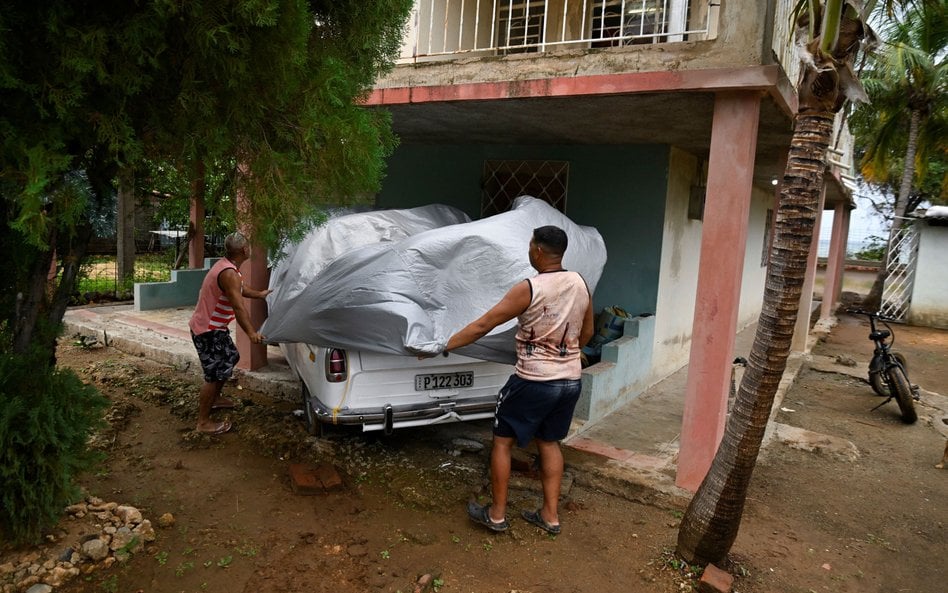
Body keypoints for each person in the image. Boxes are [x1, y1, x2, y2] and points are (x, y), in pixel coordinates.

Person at [442, 225, 594, 534]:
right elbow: (587, 332)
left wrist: (443, 345)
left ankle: (496, 515)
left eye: (530, 246)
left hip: (534, 382)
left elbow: (483, 324)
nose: (528, 250)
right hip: (569, 382)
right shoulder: (580, 283)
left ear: (538, 250)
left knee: (502, 442)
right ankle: (550, 517)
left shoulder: (529, 288)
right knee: (549, 442)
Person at [189, 231, 271, 435]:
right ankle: (203, 422)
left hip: (215, 328)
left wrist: (260, 294)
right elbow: (238, 307)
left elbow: (241, 289)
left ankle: (215, 399)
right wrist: (252, 333)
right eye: (249, 246)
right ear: (245, 250)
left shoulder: (228, 267)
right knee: (213, 373)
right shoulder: (229, 274)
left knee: (230, 357)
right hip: (207, 330)